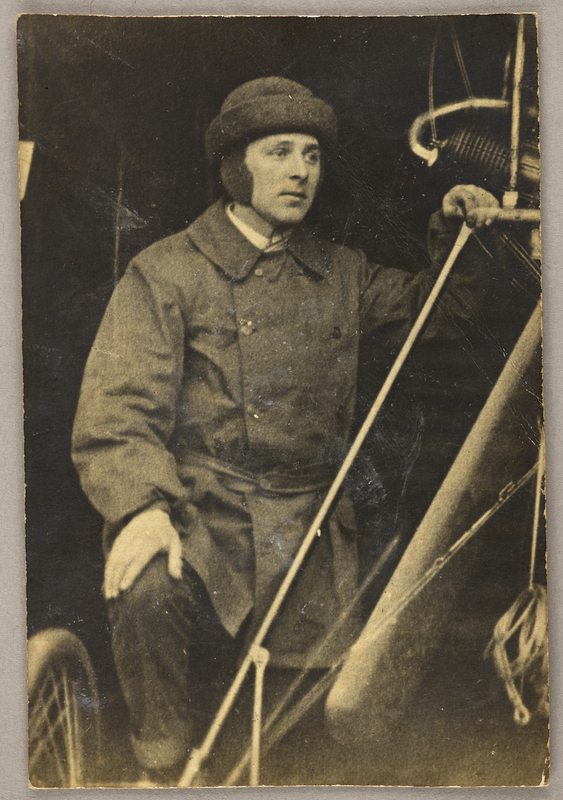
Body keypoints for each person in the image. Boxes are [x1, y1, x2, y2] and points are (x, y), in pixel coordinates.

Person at [71, 76, 499, 783]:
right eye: (277, 152)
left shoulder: (341, 274)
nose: (300, 170)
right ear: (233, 166)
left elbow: (443, 318)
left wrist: (460, 230)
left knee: (309, 740)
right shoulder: (166, 273)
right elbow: (117, 415)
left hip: (311, 530)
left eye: (311, 155)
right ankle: (157, 771)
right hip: (201, 519)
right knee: (147, 585)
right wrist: (143, 509)